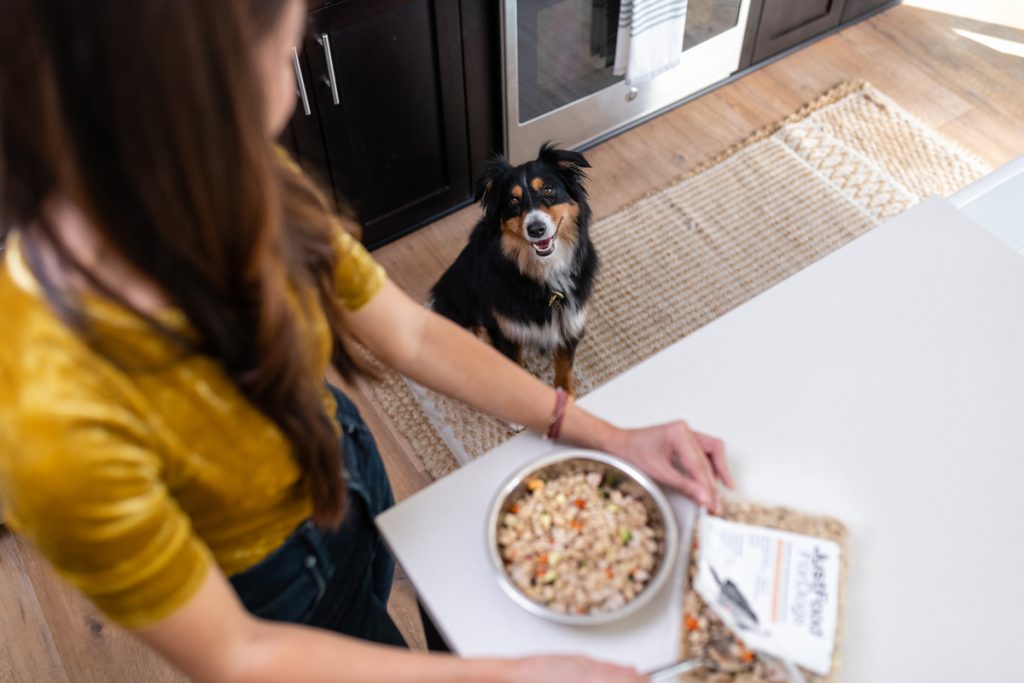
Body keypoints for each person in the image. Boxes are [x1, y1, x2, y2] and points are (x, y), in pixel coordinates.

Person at [0, 2, 733, 682]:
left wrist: (605, 433)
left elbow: (411, 331)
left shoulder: (231, 170)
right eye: (287, 39)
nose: (293, 64)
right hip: (271, 589)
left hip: (345, 467)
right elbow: (236, 651)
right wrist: (507, 672)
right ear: (205, 73)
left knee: (395, 598)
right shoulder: (50, 425)